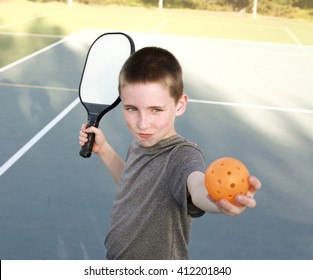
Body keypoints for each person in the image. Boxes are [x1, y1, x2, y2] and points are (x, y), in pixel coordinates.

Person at [79, 46, 261, 260]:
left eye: (156, 110)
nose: (143, 123)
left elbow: (198, 187)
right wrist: (103, 149)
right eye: (131, 109)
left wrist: (219, 201)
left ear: (180, 105)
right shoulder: (140, 143)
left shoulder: (183, 156)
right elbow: (131, 183)